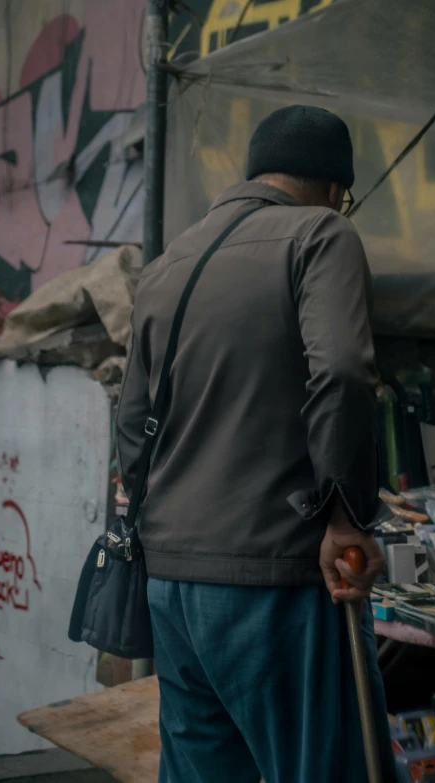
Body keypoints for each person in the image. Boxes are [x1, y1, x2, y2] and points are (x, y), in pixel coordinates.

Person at [117, 105, 396, 783]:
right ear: (334, 188)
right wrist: (343, 516)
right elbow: (343, 372)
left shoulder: (167, 263)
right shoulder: (321, 234)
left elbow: (131, 421)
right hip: (275, 583)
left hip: (173, 588)